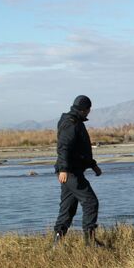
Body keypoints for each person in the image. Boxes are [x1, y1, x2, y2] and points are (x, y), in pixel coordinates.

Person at [52, 95, 104, 248]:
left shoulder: (75, 121)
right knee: (91, 202)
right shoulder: (71, 123)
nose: (89, 113)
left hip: (71, 171)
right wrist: (63, 169)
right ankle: (90, 242)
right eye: (88, 110)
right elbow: (63, 147)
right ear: (85, 109)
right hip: (70, 172)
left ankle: (57, 244)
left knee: (68, 208)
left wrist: (93, 165)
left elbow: (80, 150)